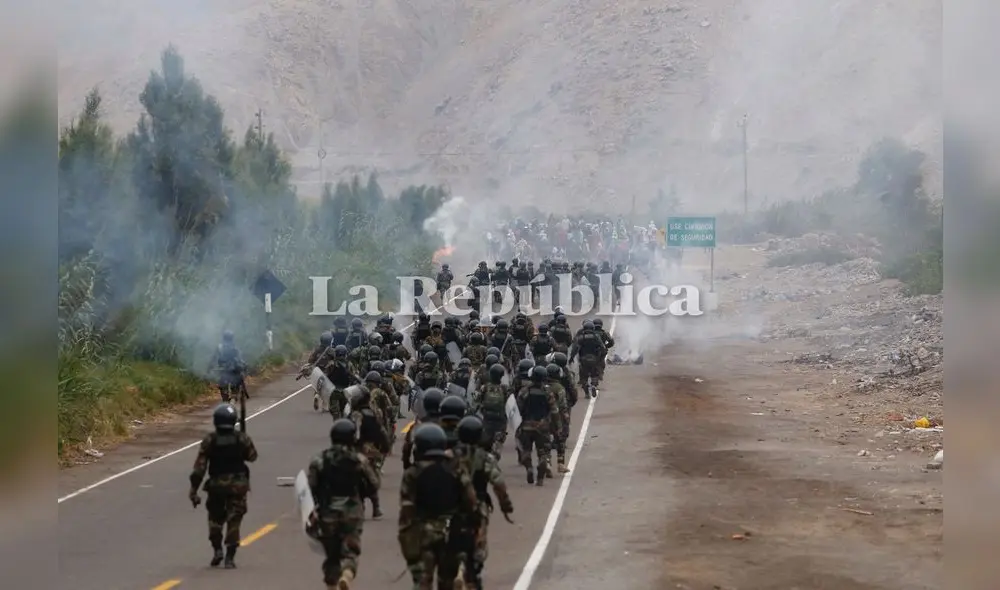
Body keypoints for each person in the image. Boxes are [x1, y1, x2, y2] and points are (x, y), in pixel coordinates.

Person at [398, 423, 478, 588]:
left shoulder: (413, 473)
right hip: (449, 532)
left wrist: (408, 537)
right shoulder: (455, 468)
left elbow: (407, 508)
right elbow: (470, 500)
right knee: (447, 580)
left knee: (422, 580)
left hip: (422, 533)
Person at [307, 419, 380, 590]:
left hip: (328, 512)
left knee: (332, 555)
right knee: (351, 550)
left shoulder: (319, 459)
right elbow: (374, 484)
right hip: (352, 512)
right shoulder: (359, 460)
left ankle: (332, 584)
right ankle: (347, 575)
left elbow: (311, 486)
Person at [188, 404, 258, 568]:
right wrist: (244, 441)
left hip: (216, 486)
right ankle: (230, 557)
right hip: (238, 486)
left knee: (215, 520)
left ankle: (217, 549)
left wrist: (193, 490)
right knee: (234, 521)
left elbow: (199, 469)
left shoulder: (210, 440)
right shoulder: (241, 438)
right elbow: (252, 457)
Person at [453, 415, 514, 589]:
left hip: (451, 507)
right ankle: (472, 574)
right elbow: (499, 484)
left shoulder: (449, 456)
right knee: (478, 547)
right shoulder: (484, 458)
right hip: (477, 507)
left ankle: (457, 568)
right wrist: (505, 505)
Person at [515, 366, 562, 485]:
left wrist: (517, 424)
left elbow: (517, 409)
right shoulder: (547, 392)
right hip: (543, 426)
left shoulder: (524, 391)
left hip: (526, 426)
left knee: (526, 450)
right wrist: (558, 426)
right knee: (543, 452)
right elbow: (554, 410)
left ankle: (529, 468)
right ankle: (540, 477)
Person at [208, 330, 247, 403]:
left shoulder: (219, 347)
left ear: (223, 338)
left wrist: (209, 368)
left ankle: (225, 398)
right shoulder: (235, 348)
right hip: (233, 370)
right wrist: (244, 365)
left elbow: (213, 358)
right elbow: (239, 359)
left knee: (222, 386)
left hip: (222, 370)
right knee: (237, 382)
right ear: (232, 338)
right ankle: (234, 395)